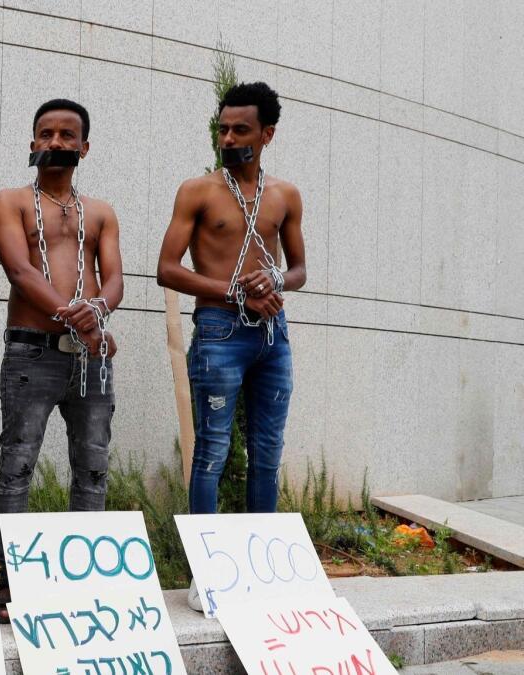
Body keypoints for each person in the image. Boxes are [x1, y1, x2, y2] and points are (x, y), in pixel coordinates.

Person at [155, 81, 306, 612]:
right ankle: (207, 573)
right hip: (219, 330)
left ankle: (262, 566)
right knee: (212, 452)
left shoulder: (284, 194)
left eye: (240, 129)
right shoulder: (197, 191)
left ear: (267, 133)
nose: (228, 137)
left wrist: (275, 284)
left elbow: (300, 270)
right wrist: (234, 289)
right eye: (222, 128)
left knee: (267, 453)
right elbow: (166, 269)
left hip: (272, 335)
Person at [0, 98, 123, 620]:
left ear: (84, 147)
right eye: (46, 134)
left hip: (91, 356)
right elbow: (20, 271)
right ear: (32, 142)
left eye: (68, 136)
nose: (56, 143)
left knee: (92, 465)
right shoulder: (12, 201)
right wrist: (80, 318)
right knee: (17, 464)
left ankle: (84, 579)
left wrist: (96, 311)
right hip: (33, 348)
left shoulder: (102, 212)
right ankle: (12, 584)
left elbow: (114, 279)